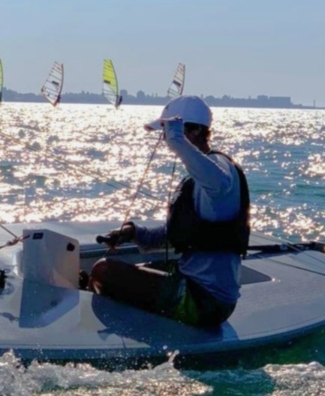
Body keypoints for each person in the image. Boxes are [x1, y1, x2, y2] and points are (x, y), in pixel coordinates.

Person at [89, 95, 250, 328]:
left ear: (195, 131)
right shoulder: (198, 176)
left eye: (166, 132)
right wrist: (133, 233)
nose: (164, 139)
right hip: (189, 280)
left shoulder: (219, 169)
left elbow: (220, 182)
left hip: (206, 301)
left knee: (103, 271)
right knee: (124, 272)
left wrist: (178, 142)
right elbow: (175, 233)